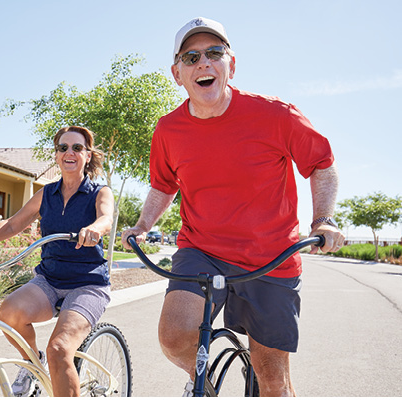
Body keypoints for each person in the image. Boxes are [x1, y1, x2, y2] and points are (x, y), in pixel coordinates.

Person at [122, 17, 345, 397]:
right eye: (191, 57)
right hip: (201, 251)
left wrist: (322, 220)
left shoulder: (276, 115)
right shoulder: (168, 130)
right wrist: (143, 224)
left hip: (272, 256)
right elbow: (163, 184)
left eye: (214, 53)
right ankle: (202, 382)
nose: (203, 63)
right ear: (178, 74)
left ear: (231, 64)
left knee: (273, 381)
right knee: (174, 337)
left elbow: (322, 165)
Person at [0, 126, 114, 397]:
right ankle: (33, 364)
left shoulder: (99, 192)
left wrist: (95, 229)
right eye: (63, 147)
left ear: (87, 156)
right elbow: (12, 224)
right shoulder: (46, 194)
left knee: (60, 349)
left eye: (77, 148)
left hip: (88, 284)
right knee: (9, 314)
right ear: (56, 155)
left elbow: (106, 218)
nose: (69, 153)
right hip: (49, 280)